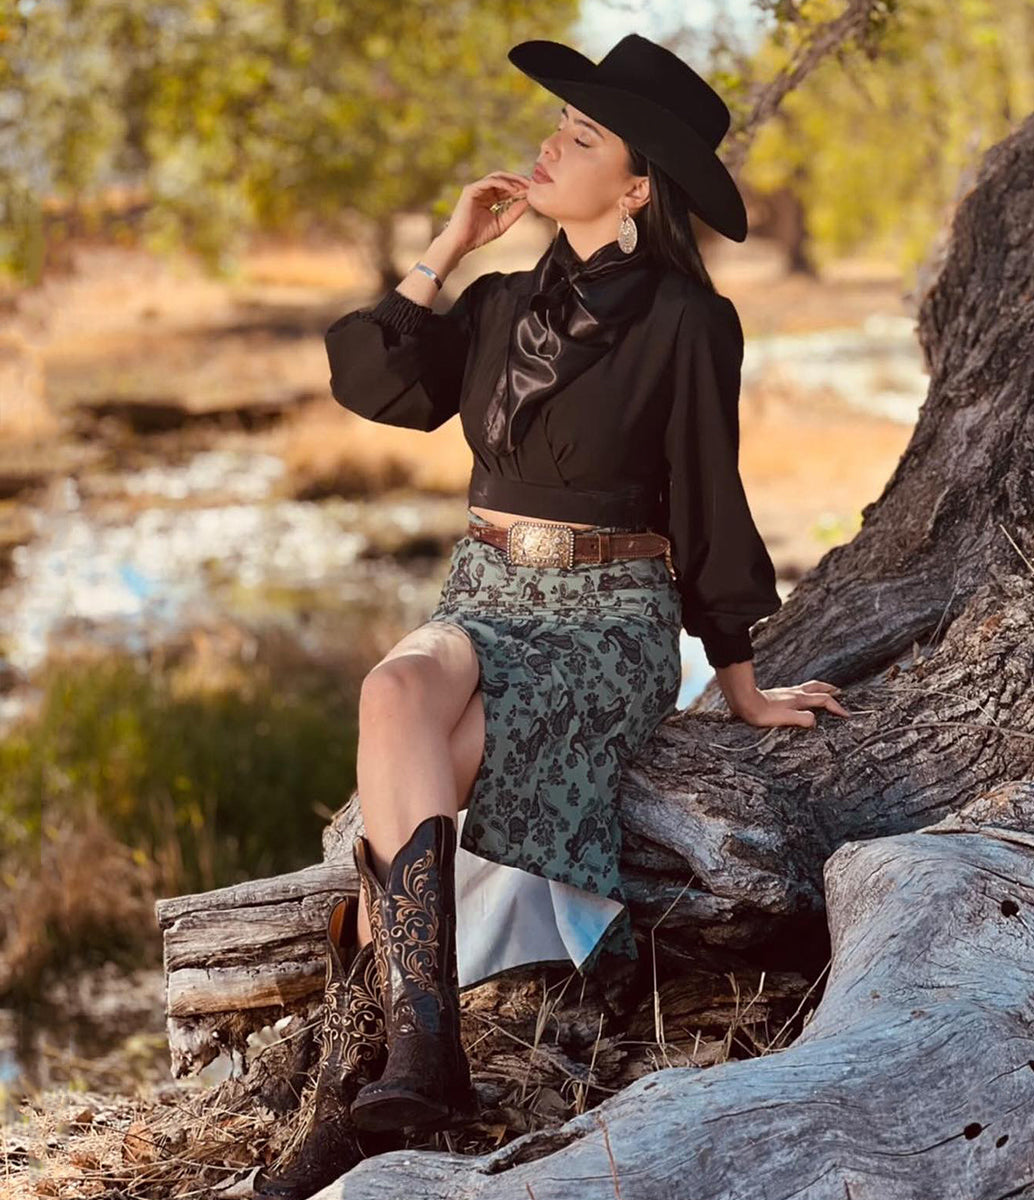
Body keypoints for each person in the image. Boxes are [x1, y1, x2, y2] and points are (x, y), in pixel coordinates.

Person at [251, 31, 849, 1200]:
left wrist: (738, 676)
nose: (550, 142)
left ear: (635, 188)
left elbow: (709, 492)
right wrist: (448, 245)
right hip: (482, 593)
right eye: (557, 125)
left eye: (582, 137)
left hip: (605, 615)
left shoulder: (687, 319)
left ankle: (389, 1068)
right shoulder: (498, 302)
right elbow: (373, 382)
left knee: (414, 765)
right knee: (394, 696)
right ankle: (424, 1064)